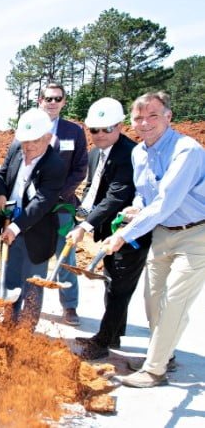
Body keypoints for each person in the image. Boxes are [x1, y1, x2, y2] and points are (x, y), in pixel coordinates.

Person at [106, 92, 205, 388]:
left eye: (153, 115)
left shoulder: (187, 151)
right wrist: (136, 206)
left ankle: (154, 369)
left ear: (168, 116)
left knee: (175, 300)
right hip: (162, 233)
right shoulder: (139, 153)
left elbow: (165, 201)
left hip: (196, 234)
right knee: (153, 300)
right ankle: (164, 352)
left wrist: (123, 234)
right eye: (138, 118)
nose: (145, 123)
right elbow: (145, 193)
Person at [66, 98, 151, 360]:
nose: (100, 135)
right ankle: (113, 334)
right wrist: (81, 212)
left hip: (131, 232)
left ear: (120, 126)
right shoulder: (94, 154)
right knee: (112, 282)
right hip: (108, 231)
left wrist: (86, 225)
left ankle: (102, 342)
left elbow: (117, 196)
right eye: (94, 130)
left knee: (119, 287)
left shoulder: (130, 154)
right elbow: (93, 189)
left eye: (107, 129)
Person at [0, 108, 64, 330]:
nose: (28, 147)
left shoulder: (55, 165)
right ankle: (8, 324)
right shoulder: (16, 148)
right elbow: (1, 175)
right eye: (24, 142)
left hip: (36, 232)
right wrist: (1, 193)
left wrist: (15, 226)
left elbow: (42, 202)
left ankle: (25, 332)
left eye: (34, 142)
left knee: (32, 286)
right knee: (10, 280)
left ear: (48, 138)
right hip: (9, 226)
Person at [38, 83, 88, 325]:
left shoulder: (74, 132)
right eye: (48, 98)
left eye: (57, 99)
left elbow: (80, 168)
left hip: (62, 205)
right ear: (40, 100)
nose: (52, 102)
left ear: (64, 102)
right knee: (32, 255)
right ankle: (29, 302)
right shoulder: (31, 126)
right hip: (35, 206)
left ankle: (69, 306)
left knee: (66, 255)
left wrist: (60, 193)